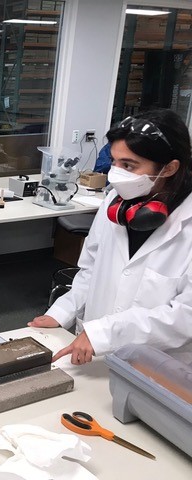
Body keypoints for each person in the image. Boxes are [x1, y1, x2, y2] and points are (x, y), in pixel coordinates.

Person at [29, 109, 192, 365]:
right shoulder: (114, 203)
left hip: (158, 365)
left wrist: (104, 334)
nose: (116, 174)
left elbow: (185, 317)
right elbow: (89, 270)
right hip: (93, 351)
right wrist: (63, 312)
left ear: (169, 168)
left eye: (129, 165)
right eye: (114, 161)